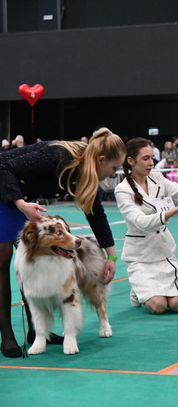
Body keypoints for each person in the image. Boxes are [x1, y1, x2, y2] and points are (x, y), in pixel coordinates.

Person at [0, 128, 125, 358]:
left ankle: (38, 332)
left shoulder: (86, 174)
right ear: (101, 160)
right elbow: (3, 166)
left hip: (25, 197)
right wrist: (19, 203)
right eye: (114, 168)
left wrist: (112, 256)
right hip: (5, 188)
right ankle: (7, 335)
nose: (113, 173)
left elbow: (96, 214)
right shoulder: (61, 156)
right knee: (3, 258)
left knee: (35, 262)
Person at [114, 138, 178, 314]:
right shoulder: (122, 190)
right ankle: (138, 289)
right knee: (158, 307)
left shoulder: (158, 178)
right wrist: (175, 211)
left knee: (176, 305)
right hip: (140, 257)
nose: (151, 163)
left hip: (163, 252)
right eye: (145, 158)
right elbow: (140, 222)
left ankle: (148, 290)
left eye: (152, 157)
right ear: (131, 161)